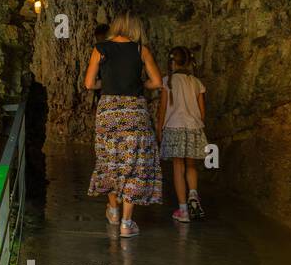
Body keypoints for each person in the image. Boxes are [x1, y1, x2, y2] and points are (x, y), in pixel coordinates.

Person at [83, 12, 163, 237]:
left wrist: (106, 83)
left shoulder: (101, 48)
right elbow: (157, 82)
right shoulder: (141, 50)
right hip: (134, 111)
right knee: (133, 163)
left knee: (110, 159)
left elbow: (89, 84)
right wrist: (140, 83)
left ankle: (113, 211)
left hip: (108, 110)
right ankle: (127, 223)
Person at [156, 46, 207, 222]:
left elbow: (162, 110)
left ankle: (183, 210)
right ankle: (193, 194)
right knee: (191, 166)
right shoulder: (196, 82)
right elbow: (202, 112)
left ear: (171, 62)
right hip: (193, 128)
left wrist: (159, 129)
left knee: (179, 168)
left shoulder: (167, 81)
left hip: (174, 127)